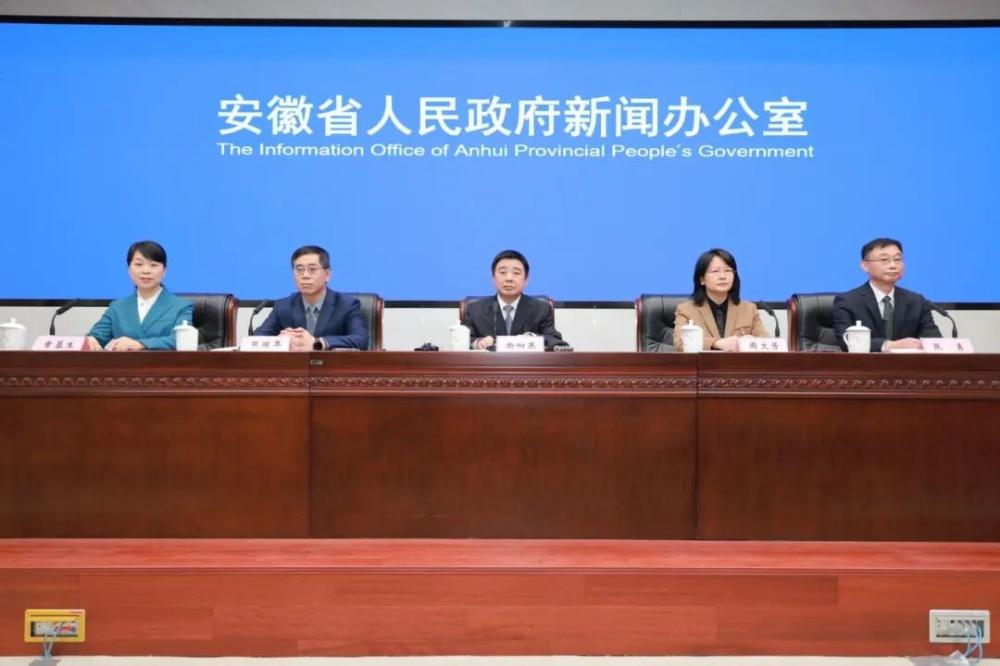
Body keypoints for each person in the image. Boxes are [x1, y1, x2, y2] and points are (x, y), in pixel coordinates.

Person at [833, 237, 940, 352]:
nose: (893, 265)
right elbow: (846, 341)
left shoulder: (917, 301)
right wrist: (889, 345)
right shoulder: (848, 301)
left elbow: (934, 340)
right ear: (864, 265)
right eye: (884, 259)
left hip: (907, 362)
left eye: (897, 259)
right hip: (866, 362)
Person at [254, 245, 368, 351]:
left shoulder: (347, 305)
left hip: (331, 365)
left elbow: (360, 340)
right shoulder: (283, 306)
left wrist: (317, 343)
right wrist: (280, 341)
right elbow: (256, 339)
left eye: (312, 269)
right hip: (295, 365)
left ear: (327, 275)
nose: (305, 276)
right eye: (299, 270)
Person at [86, 240, 194, 351]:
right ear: (129, 269)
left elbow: (180, 339)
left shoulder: (181, 306)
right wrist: (91, 340)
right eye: (139, 264)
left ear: (164, 271)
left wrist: (139, 344)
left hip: (163, 362)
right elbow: (96, 336)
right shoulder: (117, 307)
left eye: (153, 265)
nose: (146, 271)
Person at [462, 249, 567, 350]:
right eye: (503, 272)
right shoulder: (475, 310)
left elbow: (555, 339)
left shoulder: (541, 309)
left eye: (516, 273)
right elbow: (462, 340)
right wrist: (478, 343)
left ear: (526, 279)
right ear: (493, 278)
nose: (509, 278)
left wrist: (532, 338)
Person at [673, 248, 768, 351]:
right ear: (702, 279)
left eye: (728, 271)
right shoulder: (686, 310)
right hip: (705, 362)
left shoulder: (749, 309)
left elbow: (766, 342)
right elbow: (681, 344)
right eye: (715, 271)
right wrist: (716, 343)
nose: (723, 276)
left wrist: (752, 341)